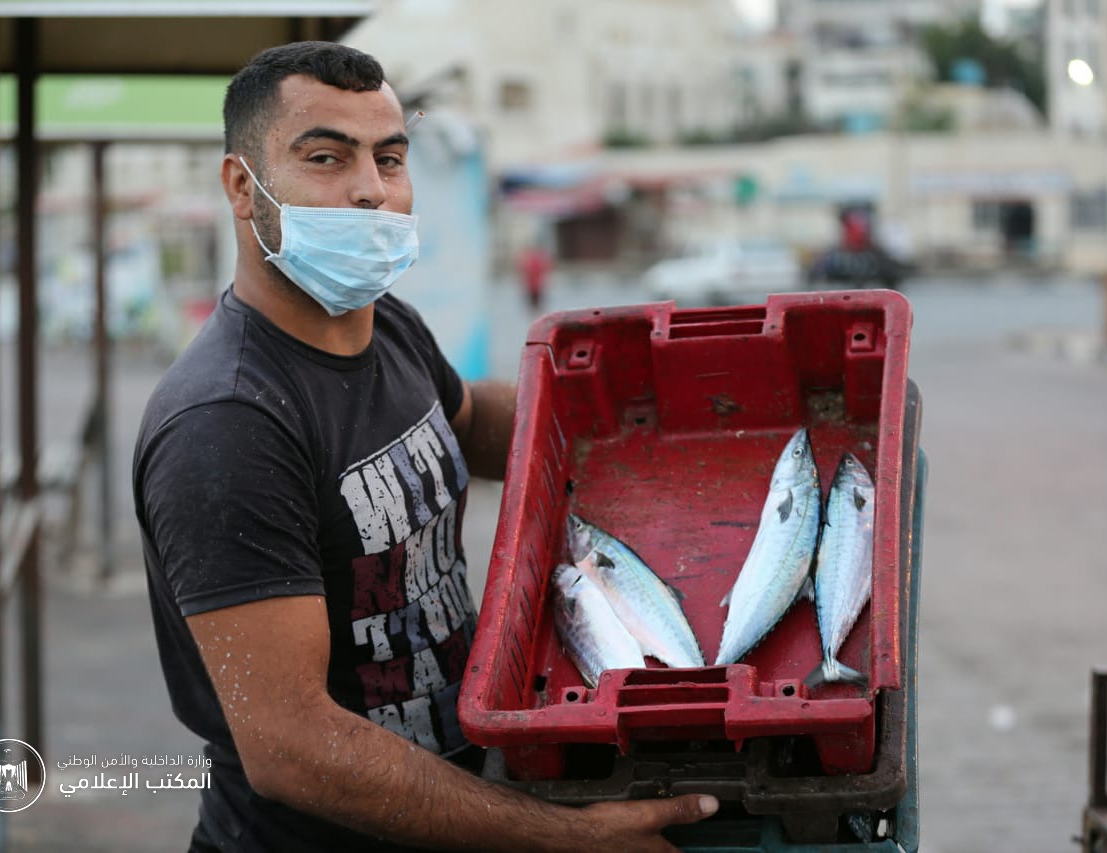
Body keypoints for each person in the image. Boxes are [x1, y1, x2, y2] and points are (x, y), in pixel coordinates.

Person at [132, 41, 717, 852]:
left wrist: (666, 416)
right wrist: (564, 839)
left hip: (466, 799)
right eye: (327, 158)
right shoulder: (225, 423)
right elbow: (291, 746)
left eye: (391, 157)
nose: (372, 190)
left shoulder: (386, 325)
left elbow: (472, 423)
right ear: (243, 185)